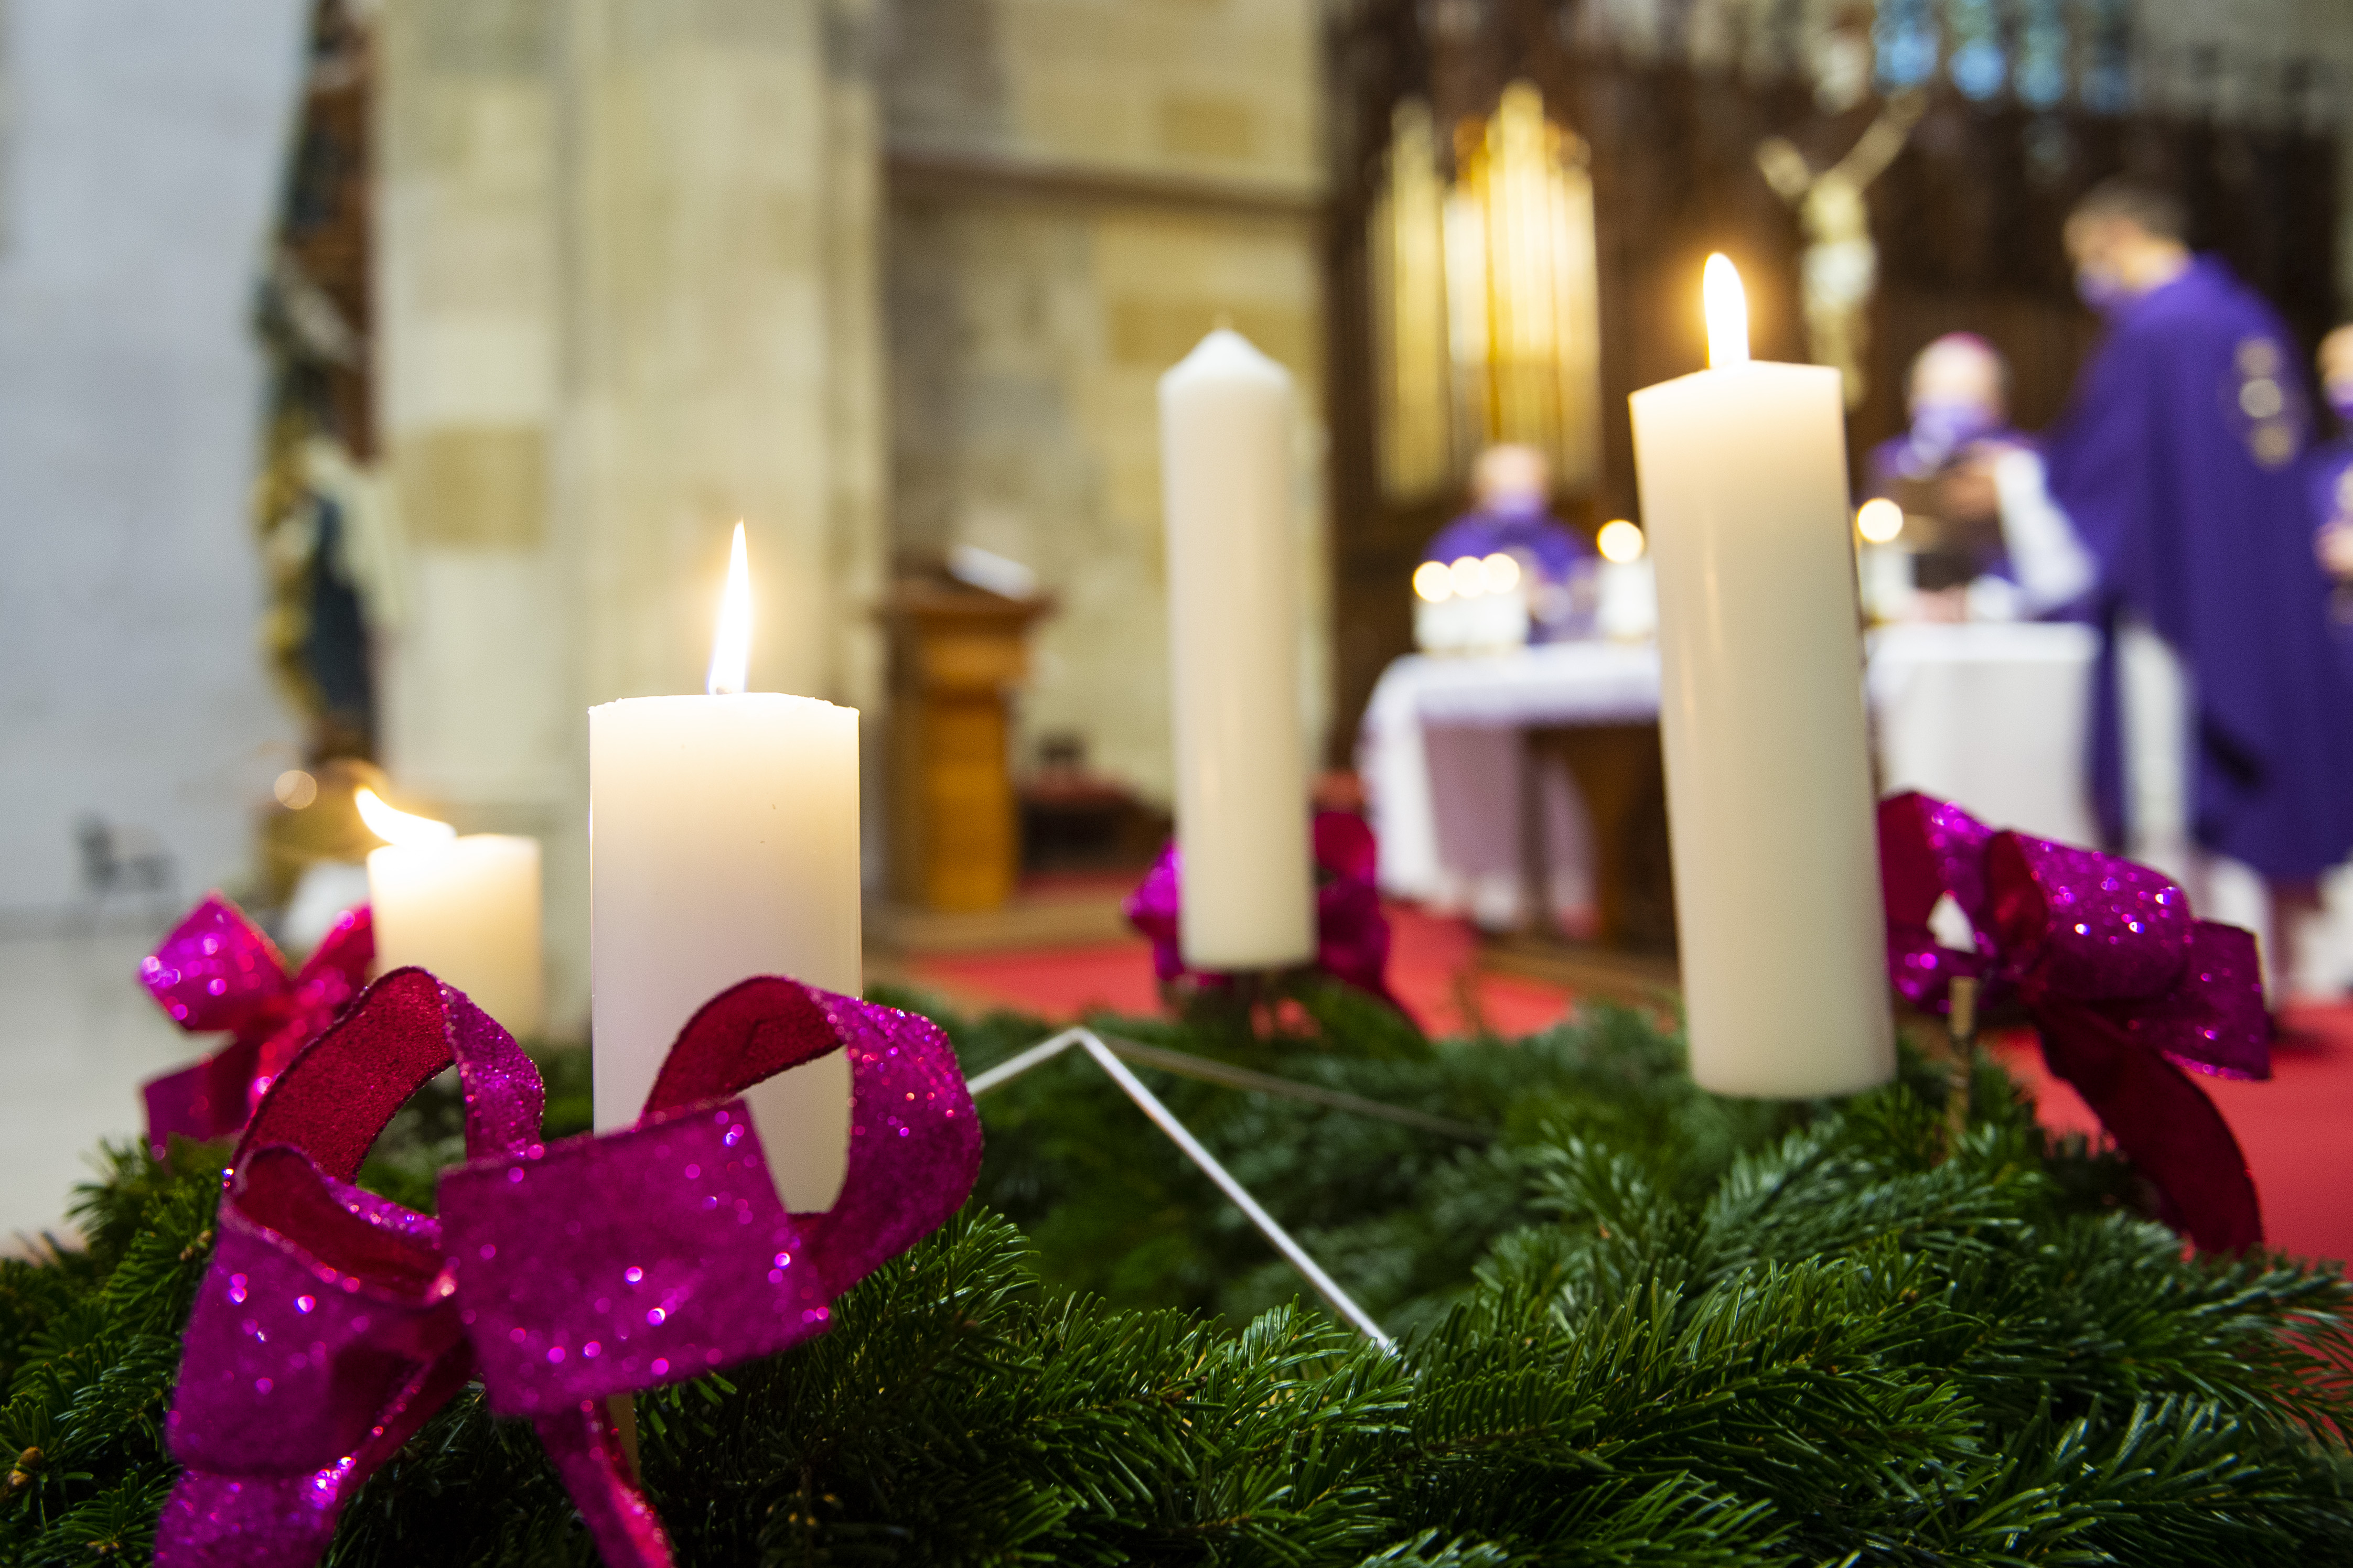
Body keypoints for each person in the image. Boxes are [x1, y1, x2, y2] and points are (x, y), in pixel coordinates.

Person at [2040, 176, 2353, 993]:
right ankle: (2267, 972)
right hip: (2256, 601)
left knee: (2166, 780)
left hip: (2174, 604)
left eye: (2085, 257)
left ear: (2113, 235)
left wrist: (2020, 479)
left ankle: (2185, 978)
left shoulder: (2155, 330)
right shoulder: (2245, 318)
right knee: (2243, 749)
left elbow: (2101, 478)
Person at [1869, 333, 2096, 618]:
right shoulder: (1892, 463)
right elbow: (1879, 561)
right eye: (1934, 392)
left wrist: (2012, 488)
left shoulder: (2031, 465)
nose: (1948, 405)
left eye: (1967, 393)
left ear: (1998, 403)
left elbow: (2064, 575)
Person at [1421, 444, 1591, 642]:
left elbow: (1585, 593)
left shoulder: (1562, 540)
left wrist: (1550, 598)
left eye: (1528, 484)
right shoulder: (1456, 544)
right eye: (1508, 486)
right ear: (1481, 490)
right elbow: (1442, 610)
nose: (1518, 493)